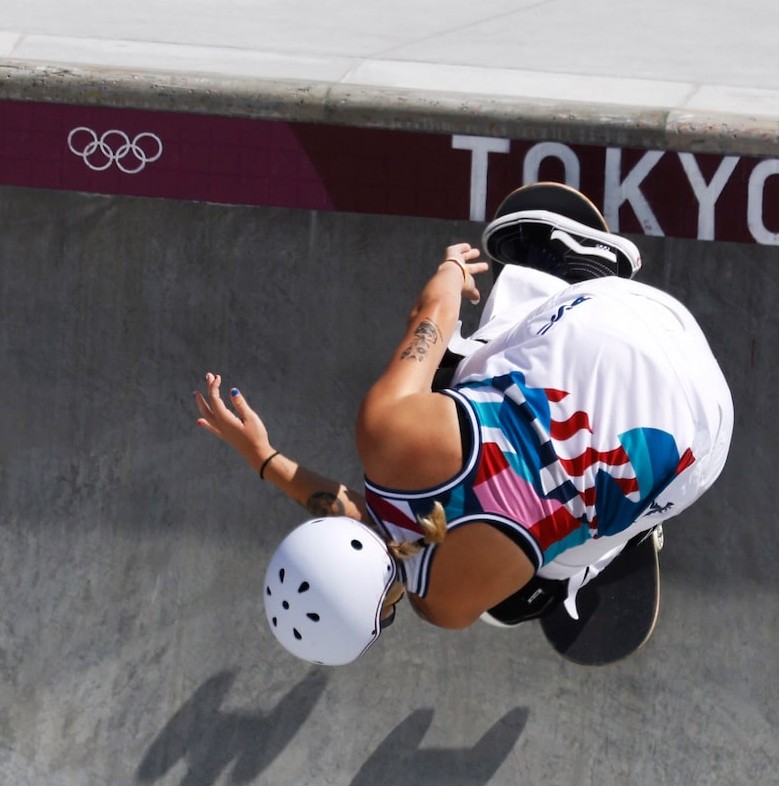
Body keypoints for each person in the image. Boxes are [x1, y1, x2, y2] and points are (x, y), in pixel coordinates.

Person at [196, 182, 735, 664]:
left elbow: (388, 544)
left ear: (381, 614)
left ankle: (621, 545)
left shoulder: (445, 607)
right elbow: (430, 319)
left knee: (521, 596)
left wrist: (271, 463)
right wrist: (450, 272)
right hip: (625, 310)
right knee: (458, 372)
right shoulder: (386, 430)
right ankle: (556, 268)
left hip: (702, 434)